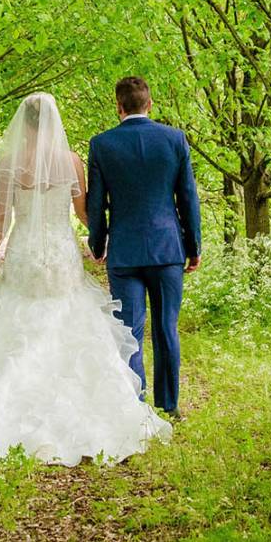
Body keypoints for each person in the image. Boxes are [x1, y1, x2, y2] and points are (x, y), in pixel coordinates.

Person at [0, 92, 172, 464]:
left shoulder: (10, 163)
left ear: (23, 123)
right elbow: (83, 213)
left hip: (25, 255)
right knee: (67, 323)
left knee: (16, 329)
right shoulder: (71, 162)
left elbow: (0, 221)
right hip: (60, 257)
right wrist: (102, 243)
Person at [84, 75, 201, 419]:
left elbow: (96, 204)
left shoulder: (102, 144)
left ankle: (135, 404)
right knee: (166, 326)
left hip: (124, 252)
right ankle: (170, 404)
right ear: (149, 104)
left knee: (130, 329)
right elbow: (188, 198)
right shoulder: (174, 139)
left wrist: (98, 243)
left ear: (118, 107)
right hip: (167, 250)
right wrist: (193, 245)